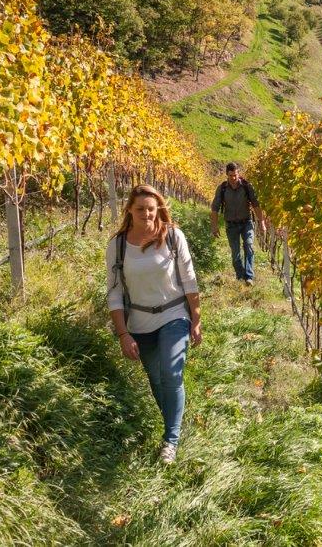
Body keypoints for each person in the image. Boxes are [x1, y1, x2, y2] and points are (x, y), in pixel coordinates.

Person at [107, 184, 202, 465]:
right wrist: (123, 332)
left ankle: (170, 441)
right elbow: (113, 291)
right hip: (139, 320)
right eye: (140, 209)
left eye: (151, 208)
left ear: (158, 208)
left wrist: (196, 318)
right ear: (130, 211)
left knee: (171, 373)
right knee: (156, 378)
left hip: (174, 315)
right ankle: (173, 421)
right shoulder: (119, 245)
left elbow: (189, 279)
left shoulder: (173, 236)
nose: (147, 214)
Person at [210, 162, 265, 285]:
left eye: (235, 175)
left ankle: (249, 277)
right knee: (235, 252)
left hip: (246, 222)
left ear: (238, 174)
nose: (233, 178)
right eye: (230, 176)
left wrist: (262, 223)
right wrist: (214, 226)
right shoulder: (222, 189)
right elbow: (215, 208)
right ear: (227, 175)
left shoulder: (247, 186)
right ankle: (240, 276)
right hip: (231, 225)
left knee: (249, 246)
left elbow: (256, 205)